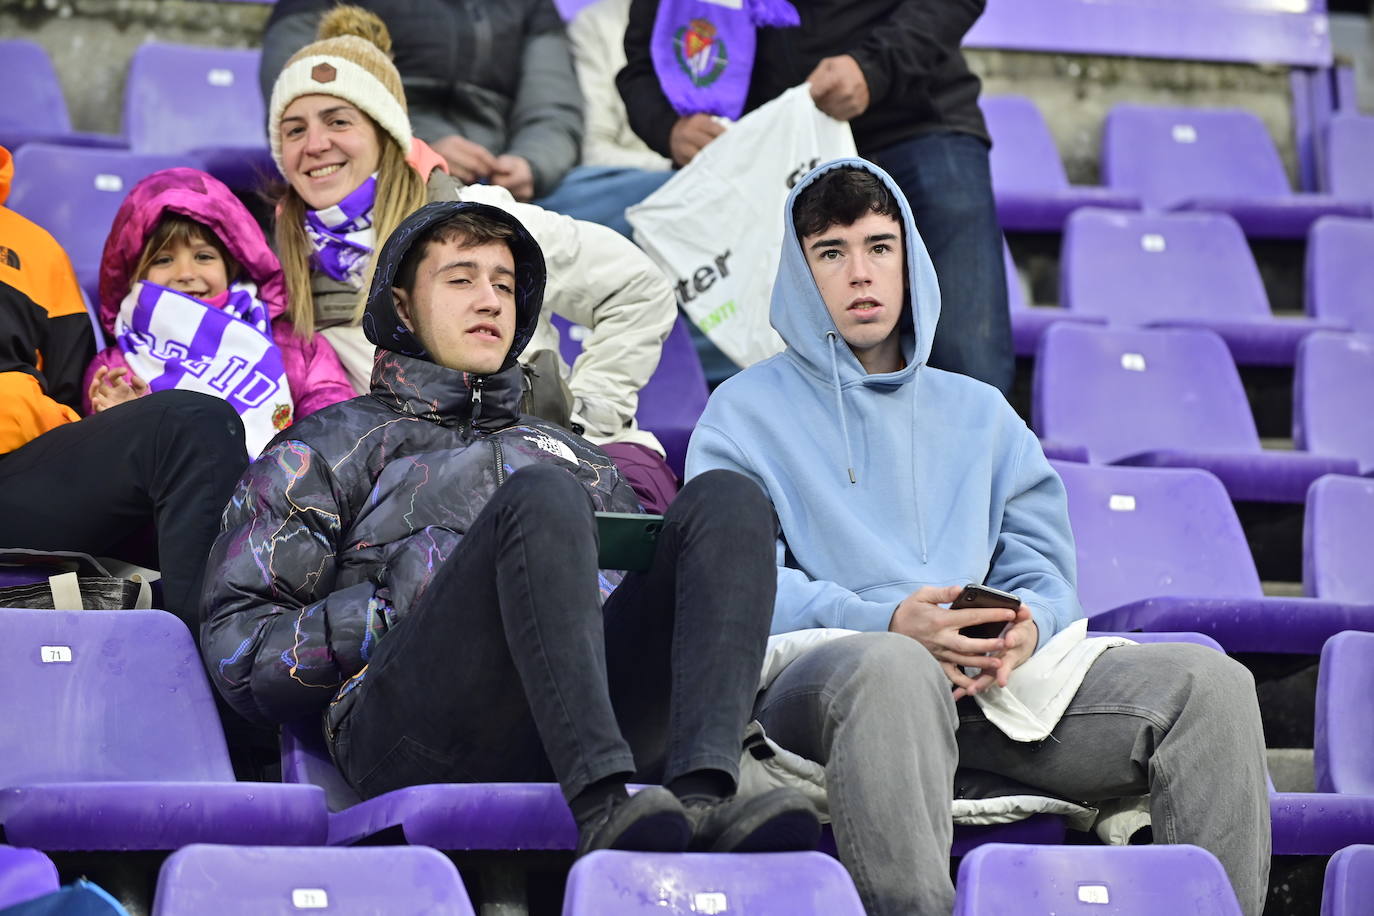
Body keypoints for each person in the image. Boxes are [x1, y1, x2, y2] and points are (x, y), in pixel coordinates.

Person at [686, 160, 1270, 915]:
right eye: (831, 253)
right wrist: (891, 621)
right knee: (895, 669)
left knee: (1214, 685)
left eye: (878, 246)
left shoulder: (982, 412)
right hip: (831, 684)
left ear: (910, 258)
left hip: (992, 688)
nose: (860, 274)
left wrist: (1023, 630)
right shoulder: (740, 415)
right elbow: (735, 587)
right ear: (801, 272)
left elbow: (1044, 568)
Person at [200, 199, 820, 855]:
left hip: (583, 712)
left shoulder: (575, 457)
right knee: (543, 500)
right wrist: (385, 608)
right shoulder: (324, 449)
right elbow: (241, 654)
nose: (491, 300)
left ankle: (705, 797)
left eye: (504, 284)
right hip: (412, 732)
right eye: (462, 279)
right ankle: (601, 803)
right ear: (403, 306)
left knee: (728, 499)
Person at [266, 5, 679, 509]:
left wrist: (585, 425)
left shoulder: (482, 216)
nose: (315, 144)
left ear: (386, 132)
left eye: (338, 120)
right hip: (430, 494)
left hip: (562, 470)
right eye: (293, 130)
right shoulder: (276, 270)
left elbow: (637, 287)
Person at [618, 0, 1014, 395]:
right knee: (787, 367)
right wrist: (670, 128)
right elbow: (640, 66)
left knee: (968, 355)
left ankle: (986, 455)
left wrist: (874, 67)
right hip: (766, 161)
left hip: (914, 123)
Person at [0, 145, 247, 632]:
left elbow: (66, 393)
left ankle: (198, 680)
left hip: (18, 476)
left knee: (195, 429)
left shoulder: (35, 248)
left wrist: (110, 423)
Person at [82, 168, 353, 455]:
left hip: (292, 490)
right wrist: (125, 422)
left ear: (232, 265)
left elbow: (334, 428)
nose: (185, 273)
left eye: (203, 256)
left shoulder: (297, 346)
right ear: (136, 276)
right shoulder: (115, 367)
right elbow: (113, 465)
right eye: (163, 260)